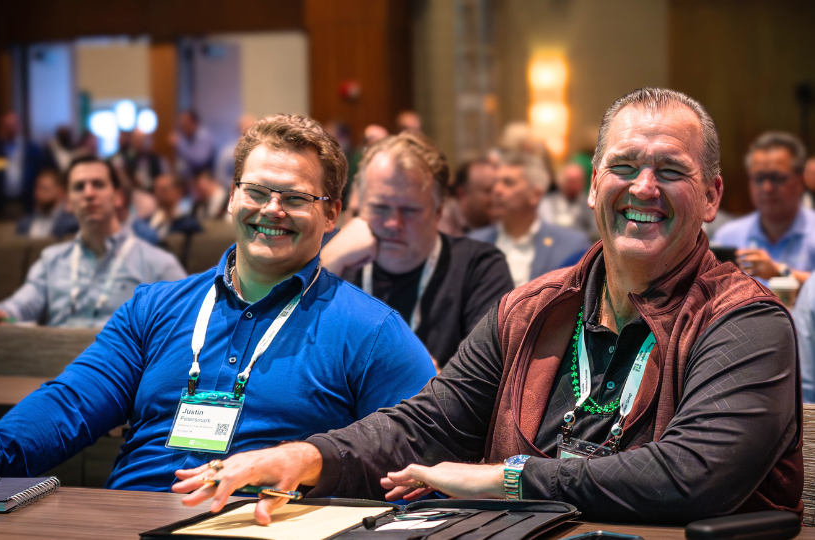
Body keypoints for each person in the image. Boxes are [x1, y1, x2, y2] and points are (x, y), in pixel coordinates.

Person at [170, 88, 801, 526]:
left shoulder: (745, 321)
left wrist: (508, 479)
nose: (642, 187)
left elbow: (695, 475)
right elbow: (427, 425)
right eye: (624, 165)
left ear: (713, 196)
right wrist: (308, 457)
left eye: (671, 170)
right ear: (590, 185)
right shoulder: (529, 309)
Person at [0, 114, 435, 493]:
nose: (272, 210)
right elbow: (73, 403)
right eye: (257, 191)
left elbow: (420, 450)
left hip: (263, 524)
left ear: (332, 215)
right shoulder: (154, 307)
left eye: (296, 198)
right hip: (128, 518)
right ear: (232, 197)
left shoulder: (372, 331)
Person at [320, 131, 513, 369]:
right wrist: (327, 264)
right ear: (359, 205)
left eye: (410, 210)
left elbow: (485, 384)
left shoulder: (479, 268)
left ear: (438, 212)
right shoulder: (335, 262)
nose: (393, 223)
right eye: (380, 207)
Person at [0, 156, 186, 329]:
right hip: (54, 367)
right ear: (68, 203)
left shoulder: (158, 263)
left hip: (120, 373)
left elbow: (190, 320)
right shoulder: (51, 260)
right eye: (79, 187)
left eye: (98, 184)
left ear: (118, 197)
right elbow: (23, 303)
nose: (88, 193)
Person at [469, 154, 591, 288]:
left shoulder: (571, 246)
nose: (497, 190)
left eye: (508, 183)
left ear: (535, 195)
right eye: (495, 183)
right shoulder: (474, 243)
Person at [713, 132, 815, 284]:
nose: (767, 188)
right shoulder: (727, 236)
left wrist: (779, 272)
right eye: (759, 178)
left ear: (800, 181)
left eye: (777, 178)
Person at [0, 112, 47, 218]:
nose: (11, 128)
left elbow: (40, 173)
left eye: (13, 125)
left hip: (26, 201)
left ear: (19, 126)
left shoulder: (31, 148)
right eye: (7, 125)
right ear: (2, 127)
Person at [539, 161, 600, 241]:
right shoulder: (547, 203)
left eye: (578, 181)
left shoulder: (591, 204)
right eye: (571, 181)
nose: (574, 185)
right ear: (561, 181)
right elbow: (544, 229)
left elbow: (596, 232)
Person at [15, 168, 78, 239]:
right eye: (37, 188)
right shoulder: (24, 223)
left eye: (45, 189)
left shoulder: (72, 223)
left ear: (61, 192)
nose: (38, 193)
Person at [437, 160, 495, 237]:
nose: (495, 197)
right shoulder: (441, 225)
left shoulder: (498, 218)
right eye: (488, 191)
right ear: (462, 193)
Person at [147, 174, 203, 239]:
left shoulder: (189, 225)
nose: (158, 194)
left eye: (163, 190)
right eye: (156, 190)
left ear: (178, 192)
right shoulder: (147, 221)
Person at [171, 110, 215, 181]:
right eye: (181, 125)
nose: (182, 128)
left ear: (194, 123)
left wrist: (179, 145)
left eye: (185, 124)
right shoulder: (187, 136)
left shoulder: (203, 135)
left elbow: (200, 161)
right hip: (192, 178)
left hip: (204, 177)